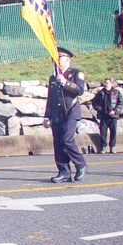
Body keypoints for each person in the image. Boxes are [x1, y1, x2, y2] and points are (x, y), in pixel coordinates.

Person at [43, 47, 88, 183]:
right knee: (58, 143)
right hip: (57, 114)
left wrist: (65, 82)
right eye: (54, 58)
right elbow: (51, 98)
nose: (56, 60)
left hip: (71, 111)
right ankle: (64, 171)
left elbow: (79, 90)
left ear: (67, 59)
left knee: (67, 140)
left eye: (59, 57)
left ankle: (81, 164)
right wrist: (47, 116)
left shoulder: (76, 73)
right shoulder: (53, 77)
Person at [92, 77, 123, 154]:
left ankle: (112, 147)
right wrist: (101, 109)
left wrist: (115, 111)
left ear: (111, 84)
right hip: (103, 116)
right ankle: (103, 147)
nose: (105, 84)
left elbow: (120, 103)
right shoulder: (100, 93)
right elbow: (94, 103)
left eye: (107, 83)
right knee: (103, 132)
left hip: (113, 116)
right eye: (105, 83)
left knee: (113, 132)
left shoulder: (117, 92)